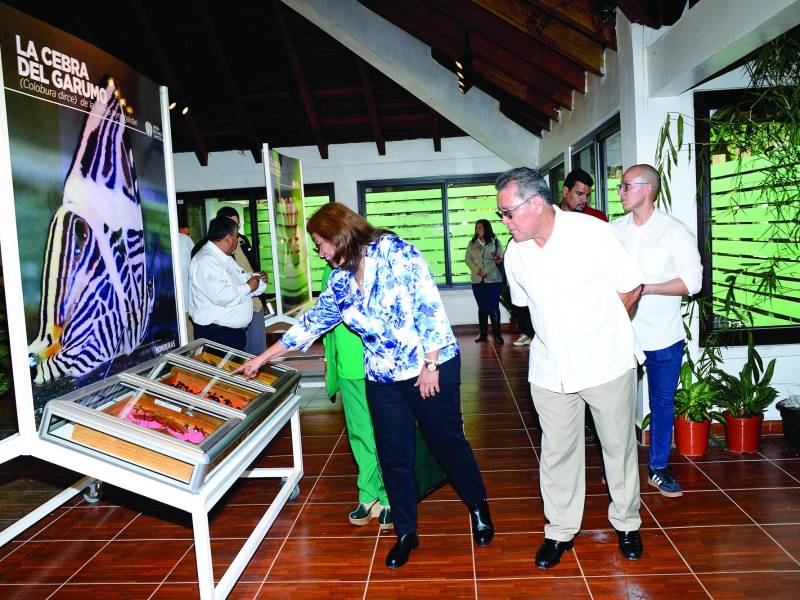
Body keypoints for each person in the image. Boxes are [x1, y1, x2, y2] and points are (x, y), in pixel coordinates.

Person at [234, 202, 494, 569]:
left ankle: (478, 506)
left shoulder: (394, 252)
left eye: (321, 243)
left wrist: (431, 363)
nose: (320, 252)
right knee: (393, 454)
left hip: (429, 364)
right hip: (383, 377)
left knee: (446, 441)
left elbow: (429, 307)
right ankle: (406, 532)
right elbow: (312, 323)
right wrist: (262, 358)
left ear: (339, 236)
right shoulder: (339, 282)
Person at [495, 167, 645, 569]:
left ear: (536, 203)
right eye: (502, 215)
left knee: (618, 447)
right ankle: (559, 531)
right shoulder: (516, 254)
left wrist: (605, 330)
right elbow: (525, 308)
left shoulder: (591, 233)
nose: (504, 223)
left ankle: (627, 522)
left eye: (509, 213)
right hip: (550, 370)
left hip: (606, 363)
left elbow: (631, 285)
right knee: (558, 453)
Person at [611, 164, 702, 498]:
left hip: (663, 335)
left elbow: (693, 283)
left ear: (647, 189)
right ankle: (618, 470)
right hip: (622, 335)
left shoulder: (674, 232)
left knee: (662, 403)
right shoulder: (614, 230)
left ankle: (659, 469)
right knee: (616, 405)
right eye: (620, 187)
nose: (620, 192)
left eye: (625, 186)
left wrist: (645, 288)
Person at [320, 263, 391, 529]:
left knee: (384, 432)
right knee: (359, 432)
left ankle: (389, 495)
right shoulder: (330, 272)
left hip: (376, 364)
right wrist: (330, 358)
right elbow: (325, 319)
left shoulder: (372, 266)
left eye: (322, 244)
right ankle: (368, 493)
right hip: (348, 363)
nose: (321, 252)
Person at [188, 216, 268, 351]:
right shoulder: (205, 260)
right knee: (220, 372)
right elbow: (222, 295)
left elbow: (243, 283)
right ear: (228, 238)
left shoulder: (224, 258)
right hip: (217, 336)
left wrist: (259, 280)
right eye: (236, 236)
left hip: (231, 335)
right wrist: (249, 286)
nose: (238, 240)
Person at [216, 206, 267, 355]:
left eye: (237, 226)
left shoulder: (243, 241)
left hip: (254, 303)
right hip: (232, 310)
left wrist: (260, 276)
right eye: (231, 226)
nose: (235, 231)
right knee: (237, 355)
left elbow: (250, 267)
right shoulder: (213, 251)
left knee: (258, 352)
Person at [464, 219, 505, 345]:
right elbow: (467, 260)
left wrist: (486, 271)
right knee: (482, 308)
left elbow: (498, 258)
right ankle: (483, 334)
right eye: (476, 228)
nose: (477, 230)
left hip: (493, 279)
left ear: (486, 228)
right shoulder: (472, 244)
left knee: (493, 307)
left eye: (480, 228)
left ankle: (497, 335)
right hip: (477, 281)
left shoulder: (496, 243)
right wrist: (477, 270)